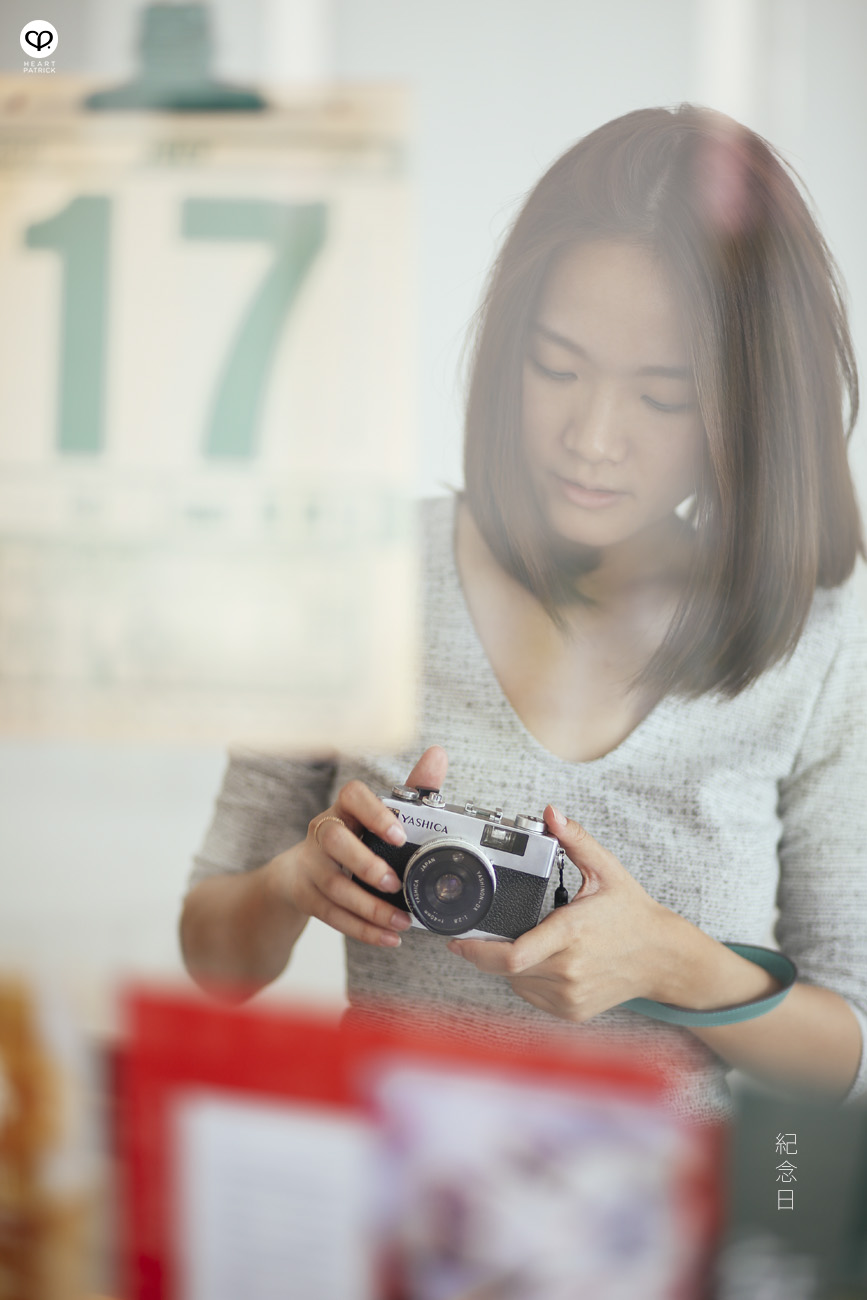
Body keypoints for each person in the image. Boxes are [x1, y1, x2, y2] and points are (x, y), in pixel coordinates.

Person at [180, 105, 867, 1122]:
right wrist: (296, 883)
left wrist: (674, 963)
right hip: (393, 1224)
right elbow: (213, 959)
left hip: (666, 1250)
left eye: (663, 398)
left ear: (746, 411)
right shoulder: (350, 572)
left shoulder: (817, 639)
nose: (592, 437)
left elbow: (846, 1049)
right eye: (557, 367)